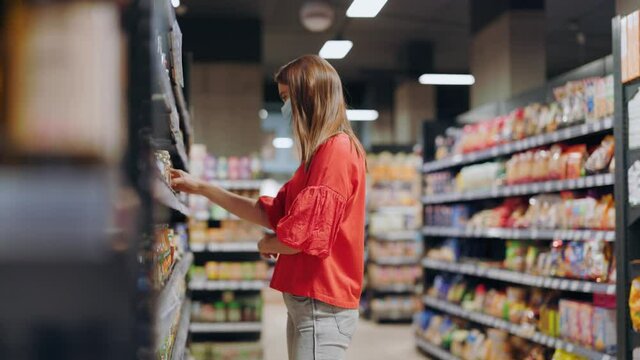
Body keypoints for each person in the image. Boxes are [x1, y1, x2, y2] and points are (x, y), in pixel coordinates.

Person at [170, 54, 367, 360]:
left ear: (309, 97)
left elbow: (305, 238)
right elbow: (268, 212)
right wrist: (201, 187)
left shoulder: (336, 151)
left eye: (287, 98)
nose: (285, 107)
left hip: (321, 304)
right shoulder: (315, 159)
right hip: (309, 304)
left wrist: (269, 242)